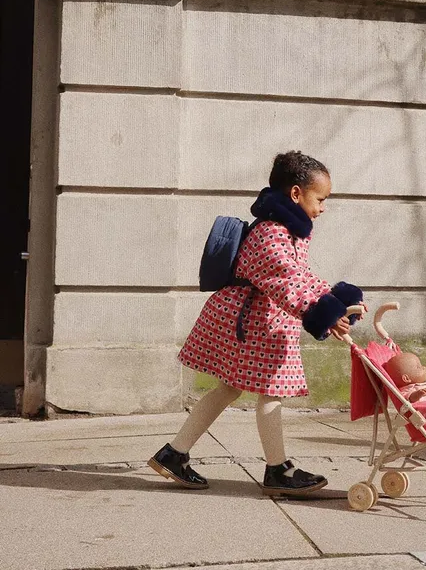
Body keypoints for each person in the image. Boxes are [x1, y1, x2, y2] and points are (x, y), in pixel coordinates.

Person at [148, 150, 365, 495]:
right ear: (296, 193)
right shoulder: (271, 234)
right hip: (249, 323)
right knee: (270, 391)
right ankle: (277, 470)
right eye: (321, 199)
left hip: (260, 322)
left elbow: (300, 277)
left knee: (230, 389)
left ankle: (175, 453)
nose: (324, 207)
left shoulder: (289, 232)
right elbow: (285, 282)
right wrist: (326, 311)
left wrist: (337, 299)